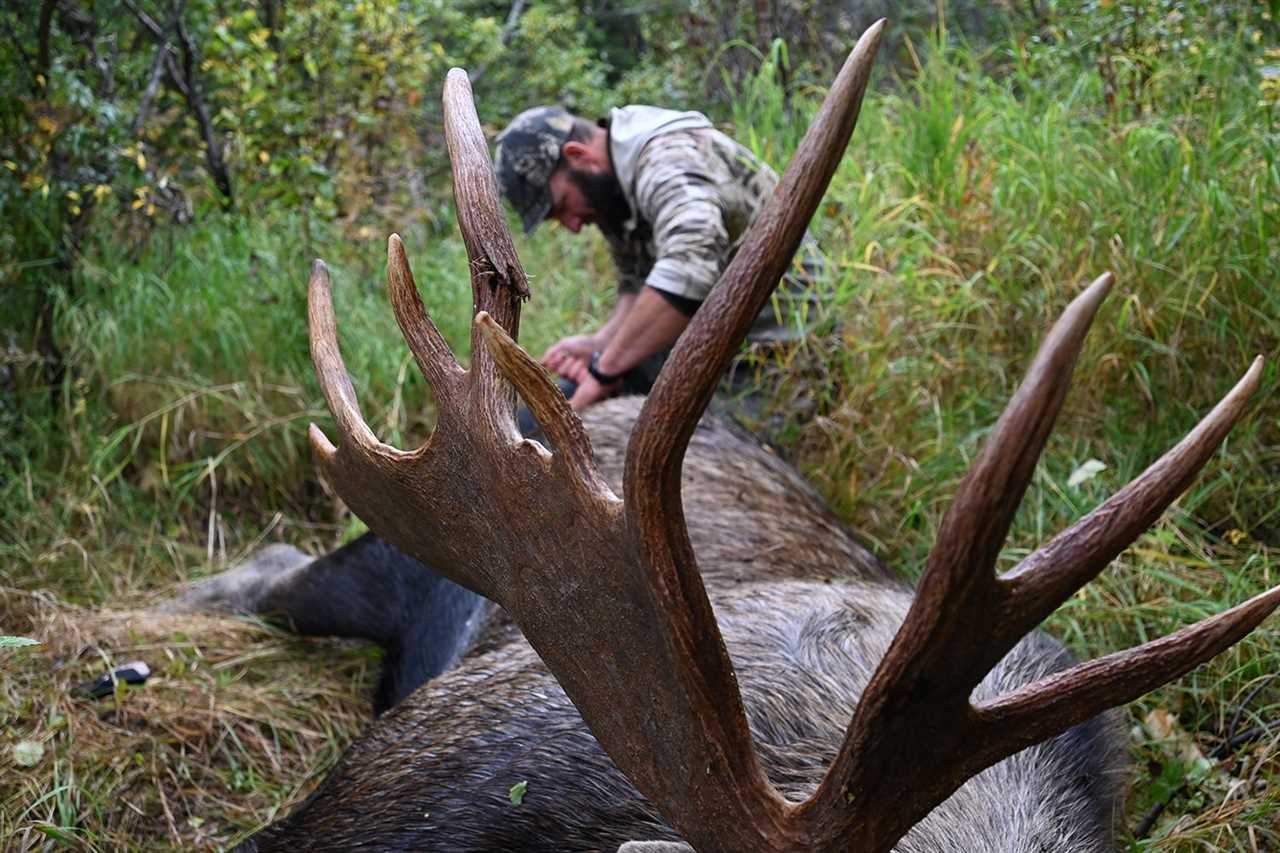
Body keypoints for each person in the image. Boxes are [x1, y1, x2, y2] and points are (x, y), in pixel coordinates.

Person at [494, 104, 825, 418]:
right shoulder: (611, 187)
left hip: (776, 356)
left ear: (578, 156)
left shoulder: (665, 159)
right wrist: (601, 344)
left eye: (562, 206)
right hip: (706, 345)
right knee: (541, 421)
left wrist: (605, 369)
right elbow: (637, 283)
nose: (573, 225)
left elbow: (689, 266)